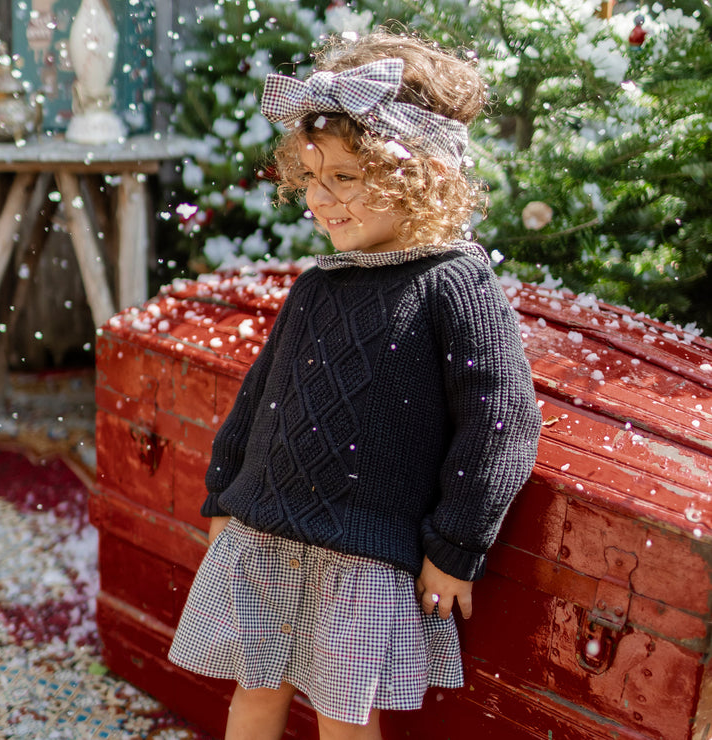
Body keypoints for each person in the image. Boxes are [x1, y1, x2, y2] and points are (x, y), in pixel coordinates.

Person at [168, 29, 542, 740]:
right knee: (253, 694)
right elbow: (260, 395)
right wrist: (224, 490)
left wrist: (453, 549)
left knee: (346, 718)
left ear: (419, 175)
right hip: (264, 536)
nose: (320, 198)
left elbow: (500, 423)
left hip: (364, 558)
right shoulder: (317, 285)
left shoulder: (453, 284)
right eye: (310, 178)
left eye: (343, 178)